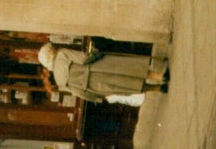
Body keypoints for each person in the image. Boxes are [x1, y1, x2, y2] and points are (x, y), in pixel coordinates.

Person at [38, 41, 167, 104]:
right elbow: (84, 58)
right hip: (99, 68)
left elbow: (78, 93)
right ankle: (160, 76)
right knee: (128, 69)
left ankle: (157, 88)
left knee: (126, 86)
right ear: (52, 51)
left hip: (95, 87)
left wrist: (96, 97)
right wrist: (94, 52)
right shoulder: (62, 54)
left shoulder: (58, 79)